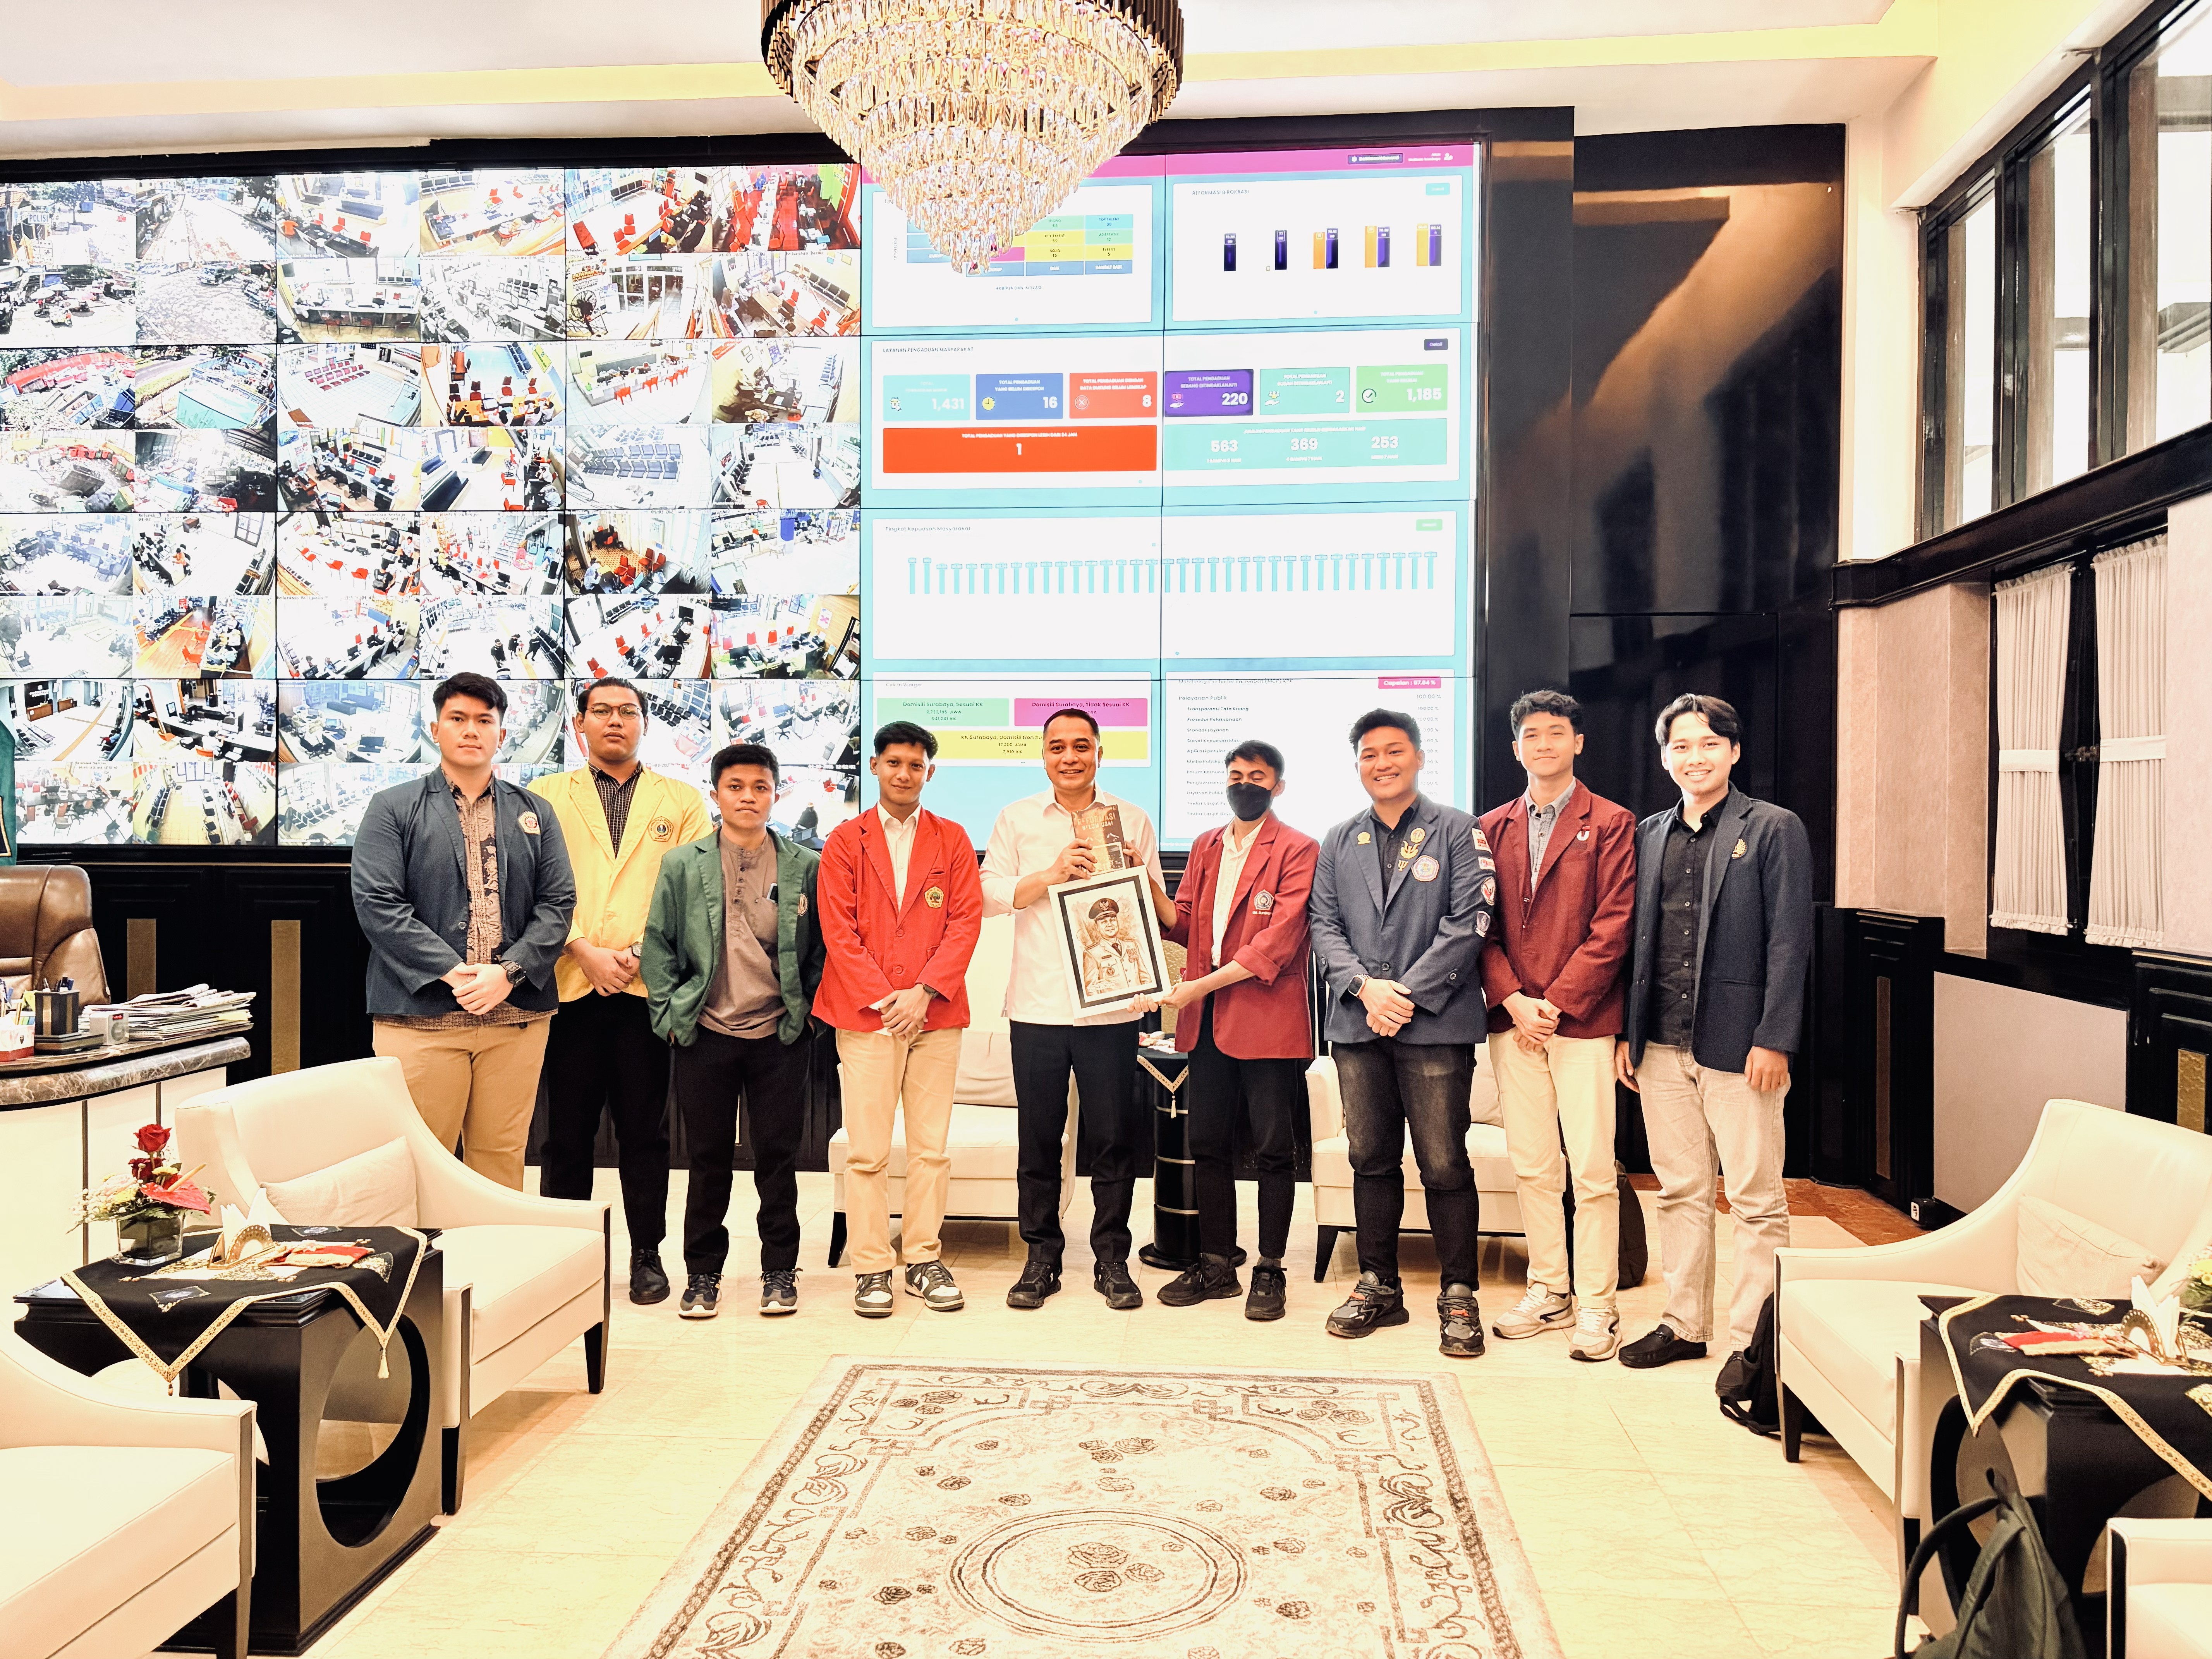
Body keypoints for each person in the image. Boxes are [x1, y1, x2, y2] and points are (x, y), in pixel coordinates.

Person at [1614, 694, 1813, 1376]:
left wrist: (1776, 1037)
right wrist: (1628, 1034)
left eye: (1708, 744)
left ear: (1733, 751)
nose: (1694, 758)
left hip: (1743, 1044)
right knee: (1680, 1191)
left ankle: (1752, 1343)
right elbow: (1638, 944)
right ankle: (1683, 1324)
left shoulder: (1774, 828)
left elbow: (1790, 941)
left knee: (1756, 1199)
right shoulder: (1649, 833)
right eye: (1681, 746)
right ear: (1664, 758)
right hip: (1660, 1043)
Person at [1307, 709, 1497, 1357]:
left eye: (1393, 751)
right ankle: (1378, 1285)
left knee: (1443, 1162)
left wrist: (1405, 996)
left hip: (1435, 1024)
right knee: (1370, 1158)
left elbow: (1470, 921)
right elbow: (1323, 926)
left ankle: (1459, 1293)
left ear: (1418, 756)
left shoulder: (1459, 830)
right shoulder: (1339, 839)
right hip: (1358, 1024)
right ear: (1358, 765)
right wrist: (1366, 989)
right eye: (1369, 754)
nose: (1381, 763)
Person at [981, 707, 1173, 1311]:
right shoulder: (1016, 819)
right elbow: (988, 896)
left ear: (1099, 754)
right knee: (1039, 1141)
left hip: (1112, 1010)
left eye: (1081, 746)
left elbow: (1156, 909)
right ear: (1044, 755)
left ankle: (1112, 1259)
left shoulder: (1131, 819)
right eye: (1058, 747)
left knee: (1114, 1141)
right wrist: (1050, 874)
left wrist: (1140, 877)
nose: (1070, 757)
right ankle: (1042, 1258)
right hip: (1037, 1007)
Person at [350, 672, 575, 1189]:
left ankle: (492, 1248)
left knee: (501, 1160)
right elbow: (378, 904)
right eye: (458, 719)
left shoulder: (535, 812)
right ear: (435, 729)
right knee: (420, 1165)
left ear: (502, 734)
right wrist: (456, 973)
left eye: (484, 721)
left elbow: (558, 903)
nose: (471, 730)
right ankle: (425, 1250)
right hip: (421, 1020)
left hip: (516, 1020)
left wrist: (508, 973)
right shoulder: (393, 807)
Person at [529, 677, 709, 1307]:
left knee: (645, 1134)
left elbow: (690, 891)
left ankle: (646, 1255)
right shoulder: (544, 796)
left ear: (644, 725)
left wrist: (634, 956)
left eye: (627, 712)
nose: (615, 721)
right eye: (601, 711)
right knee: (565, 1135)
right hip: (568, 987)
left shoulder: (681, 800)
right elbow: (533, 887)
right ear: (579, 723)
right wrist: (582, 948)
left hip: (643, 992)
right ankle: (563, 1256)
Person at [1478, 690, 1638, 1362]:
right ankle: (1549, 1290)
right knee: (1534, 1167)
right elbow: (1477, 926)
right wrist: (1515, 1000)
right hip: (1514, 1022)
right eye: (1531, 735)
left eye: (1556, 733)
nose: (1543, 744)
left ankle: (1598, 1304)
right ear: (1515, 748)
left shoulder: (1613, 822)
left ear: (1578, 742)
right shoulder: (1489, 827)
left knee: (1594, 1172)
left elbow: (1615, 925)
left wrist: (1557, 1004)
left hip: (1583, 1024)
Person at [1135, 740, 1317, 1321]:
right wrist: (1146, 885)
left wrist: (1199, 987)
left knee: (1273, 1150)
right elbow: (1185, 924)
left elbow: (1276, 945)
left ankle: (1270, 1268)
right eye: (1236, 775)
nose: (1245, 784)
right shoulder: (1206, 845)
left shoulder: (1299, 848)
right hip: (1207, 1022)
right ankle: (1216, 1263)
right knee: (1207, 1144)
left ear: (1278, 787)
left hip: (1268, 1021)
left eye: (1257, 776)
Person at [641, 742, 823, 1320]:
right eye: (736, 787)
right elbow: (659, 944)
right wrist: (670, 1016)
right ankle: (703, 1275)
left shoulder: (804, 865)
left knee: (778, 1159)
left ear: (776, 794)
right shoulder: (682, 864)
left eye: (760, 787)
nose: (748, 797)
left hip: (779, 1035)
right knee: (707, 1160)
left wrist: (807, 1014)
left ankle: (779, 1270)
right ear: (715, 793)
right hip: (706, 1031)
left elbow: (821, 950)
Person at [812, 721, 982, 1318]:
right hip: (866, 1016)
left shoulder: (952, 838)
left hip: (937, 1014)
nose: (904, 774)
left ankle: (924, 1260)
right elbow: (838, 930)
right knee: (867, 1153)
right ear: (876, 767)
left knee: (932, 1150)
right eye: (894, 763)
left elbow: (965, 921)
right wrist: (890, 1000)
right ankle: (871, 1267)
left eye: (915, 765)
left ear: (928, 772)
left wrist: (924, 993)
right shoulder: (844, 840)